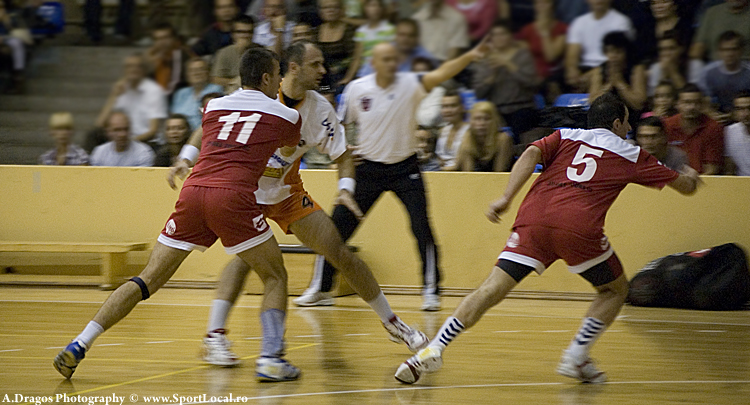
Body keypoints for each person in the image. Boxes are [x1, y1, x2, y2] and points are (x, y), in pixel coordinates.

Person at [393, 92, 701, 385]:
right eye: (627, 122)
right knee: (615, 290)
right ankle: (576, 355)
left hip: (534, 219)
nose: (630, 128)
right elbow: (686, 188)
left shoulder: (566, 135)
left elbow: (530, 152)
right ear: (617, 123)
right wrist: (690, 175)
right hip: (578, 227)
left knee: (490, 289)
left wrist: (505, 197)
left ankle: (433, 349)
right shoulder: (631, 152)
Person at [167, 41, 429, 366]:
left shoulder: (320, 109)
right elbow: (206, 125)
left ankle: (393, 323)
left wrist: (345, 188)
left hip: (286, 192)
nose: (323, 71)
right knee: (243, 261)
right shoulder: (257, 94)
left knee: (339, 252)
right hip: (245, 193)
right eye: (316, 64)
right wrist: (185, 158)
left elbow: (343, 157)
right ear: (293, 68)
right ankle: (214, 336)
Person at [54, 48, 305, 382]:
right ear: (266, 78)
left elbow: (203, 132)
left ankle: (80, 343)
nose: (281, 83)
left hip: (194, 191)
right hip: (232, 197)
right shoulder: (286, 114)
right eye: (278, 76)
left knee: (148, 278)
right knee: (274, 276)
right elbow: (287, 151)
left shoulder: (215, 105)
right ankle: (271, 359)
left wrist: (185, 158)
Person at [294, 39, 490, 311]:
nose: (392, 64)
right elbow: (339, 125)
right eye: (385, 59)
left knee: (421, 227)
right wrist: (347, 150)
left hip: (405, 169)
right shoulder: (356, 89)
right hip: (367, 169)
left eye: (395, 60)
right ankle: (321, 288)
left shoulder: (411, 84)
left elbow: (443, 72)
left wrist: (470, 55)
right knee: (336, 227)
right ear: (373, 63)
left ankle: (431, 290)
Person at [471, 20, 539, 141]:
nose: (498, 38)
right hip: (496, 110)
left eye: (502, 34)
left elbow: (532, 83)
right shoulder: (484, 60)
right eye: (494, 35)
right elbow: (479, 93)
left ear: (511, 36)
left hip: (522, 107)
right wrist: (492, 76)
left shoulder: (523, 56)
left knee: (522, 124)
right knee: (483, 125)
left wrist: (508, 64)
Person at [93, 53, 168, 146]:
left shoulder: (154, 91)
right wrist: (114, 95)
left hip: (147, 142)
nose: (133, 69)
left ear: (144, 70)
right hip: (123, 139)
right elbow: (100, 124)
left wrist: (129, 142)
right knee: (94, 134)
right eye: (129, 66)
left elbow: (153, 131)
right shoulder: (122, 89)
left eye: (138, 66)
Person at [565, 0, 633, 92]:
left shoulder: (621, 22)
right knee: (554, 83)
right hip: (585, 69)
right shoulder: (579, 22)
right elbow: (572, 55)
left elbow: (620, 55)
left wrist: (593, 74)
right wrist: (572, 70)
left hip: (610, 67)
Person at [663, 84, 724, 174]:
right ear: (677, 104)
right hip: (672, 178)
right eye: (686, 102)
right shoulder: (667, 125)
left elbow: (712, 169)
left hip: (702, 179)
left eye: (697, 103)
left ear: (702, 105)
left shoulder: (713, 127)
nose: (692, 107)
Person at [588, 32, 647, 126]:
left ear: (626, 52)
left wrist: (619, 83)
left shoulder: (636, 69)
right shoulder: (599, 70)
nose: (613, 56)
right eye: (609, 52)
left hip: (632, 120)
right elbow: (592, 102)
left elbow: (639, 104)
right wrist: (608, 86)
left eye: (618, 52)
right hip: (605, 120)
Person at [516, 0, 568, 102]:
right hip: (532, 74)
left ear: (552, 5)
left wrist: (545, 32)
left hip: (553, 74)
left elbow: (551, 57)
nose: (541, 6)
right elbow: (524, 57)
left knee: (551, 85)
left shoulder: (562, 28)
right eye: (538, 3)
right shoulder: (527, 30)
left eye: (545, 3)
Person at [699, 30, 750, 121]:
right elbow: (703, 101)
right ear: (719, 52)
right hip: (717, 116)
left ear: (741, 50)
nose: (729, 54)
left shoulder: (748, 71)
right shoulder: (709, 72)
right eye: (725, 50)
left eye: (734, 49)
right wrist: (712, 115)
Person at [455, 101, 513, 172]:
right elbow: (468, 172)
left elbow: (500, 172)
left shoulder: (503, 139)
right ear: (471, 121)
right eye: (477, 119)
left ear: (494, 121)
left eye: (487, 119)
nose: (482, 123)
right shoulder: (467, 137)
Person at [314, 0, 356, 92]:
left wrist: (347, 79)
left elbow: (354, 58)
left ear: (341, 10)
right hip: (322, 76)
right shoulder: (316, 31)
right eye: (326, 7)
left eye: (334, 7)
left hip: (343, 76)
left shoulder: (349, 29)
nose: (330, 10)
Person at [171, 58, 224, 131]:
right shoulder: (181, 93)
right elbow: (174, 116)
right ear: (187, 74)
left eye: (201, 69)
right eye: (192, 70)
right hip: (180, 132)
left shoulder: (216, 90)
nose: (196, 73)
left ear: (208, 72)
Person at [348, 0, 395, 81]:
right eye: (371, 6)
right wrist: (348, 78)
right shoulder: (361, 31)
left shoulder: (389, 29)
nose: (375, 9)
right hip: (365, 72)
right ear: (365, 9)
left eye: (378, 6)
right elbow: (357, 58)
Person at [145, 22, 196, 95]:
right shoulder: (150, 59)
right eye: (158, 39)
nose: (162, 42)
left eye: (165, 38)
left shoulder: (185, 56)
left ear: (173, 39)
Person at [90, 111, 156, 167]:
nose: (122, 134)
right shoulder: (99, 152)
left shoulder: (143, 153)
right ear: (108, 131)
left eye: (126, 129)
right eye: (117, 130)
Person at [648, 31, 703, 97]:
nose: (666, 53)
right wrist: (663, 76)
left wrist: (673, 73)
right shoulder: (656, 67)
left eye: (671, 49)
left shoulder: (695, 65)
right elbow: (654, 97)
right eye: (662, 49)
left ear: (681, 49)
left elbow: (692, 97)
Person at [211, 15, 257, 90]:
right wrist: (234, 81)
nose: (245, 36)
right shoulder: (224, 52)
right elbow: (215, 79)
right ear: (233, 34)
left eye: (249, 32)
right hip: (231, 90)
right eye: (240, 32)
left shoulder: (261, 51)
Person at [435, 90, 469, 170]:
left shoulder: (469, 131)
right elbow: (439, 159)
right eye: (444, 106)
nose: (448, 110)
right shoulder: (442, 131)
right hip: (441, 172)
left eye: (453, 106)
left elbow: (460, 165)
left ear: (462, 108)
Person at [724, 91, 750, 175]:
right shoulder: (730, 131)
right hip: (741, 181)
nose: (746, 114)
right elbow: (729, 169)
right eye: (740, 109)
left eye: (749, 108)